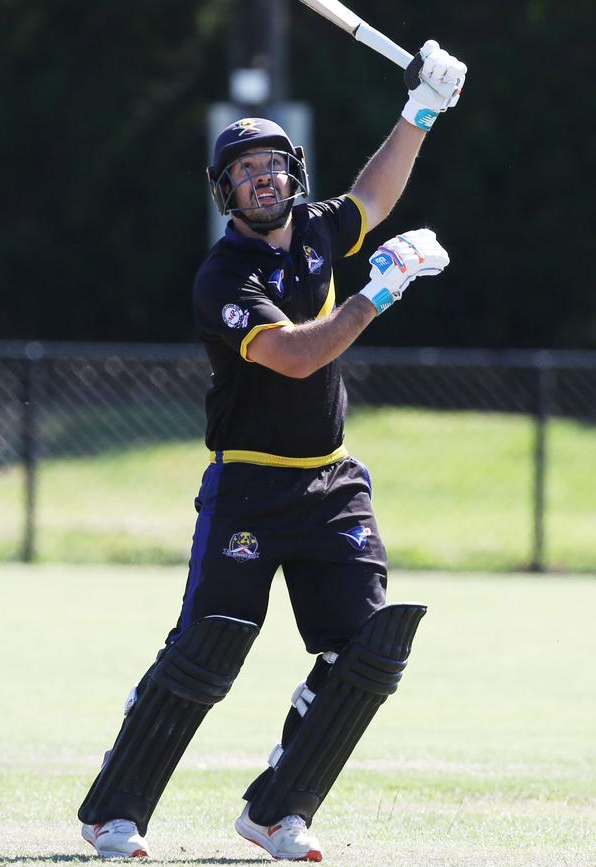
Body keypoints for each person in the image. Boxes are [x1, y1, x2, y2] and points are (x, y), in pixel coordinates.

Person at [78, 39, 466, 862]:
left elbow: (373, 193)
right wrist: (380, 291)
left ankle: (277, 811)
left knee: (370, 650)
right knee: (207, 647)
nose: (263, 178)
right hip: (249, 488)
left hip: (331, 486)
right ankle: (115, 812)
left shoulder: (321, 229)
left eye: (273, 165)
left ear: (294, 172)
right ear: (226, 193)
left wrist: (421, 110)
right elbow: (296, 354)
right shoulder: (224, 276)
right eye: (245, 170)